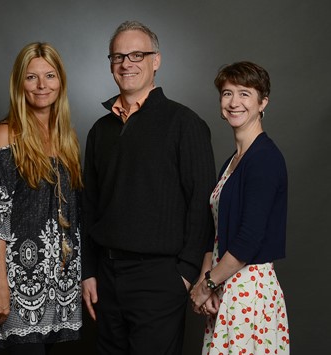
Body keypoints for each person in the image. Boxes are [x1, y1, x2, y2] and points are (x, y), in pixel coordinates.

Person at [81, 20, 217, 354]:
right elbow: (89, 205)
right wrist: (88, 271)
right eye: (118, 57)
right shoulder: (101, 129)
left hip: (160, 277)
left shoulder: (185, 124)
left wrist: (184, 275)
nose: (126, 63)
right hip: (106, 278)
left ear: (156, 61)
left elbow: (203, 204)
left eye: (137, 55)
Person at [0, 42, 83, 354]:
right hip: (18, 288)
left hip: (62, 290)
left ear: (61, 81)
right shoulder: (6, 134)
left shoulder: (67, 139)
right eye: (31, 77)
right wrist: (0, 286)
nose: (42, 86)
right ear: (19, 84)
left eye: (50, 76)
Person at [189, 61, 290, 354]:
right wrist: (206, 280)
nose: (234, 102)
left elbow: (248, 240)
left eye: (245, 94)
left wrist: (206, 285)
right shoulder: (233, 161)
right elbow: (215, 231)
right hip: (225, 285)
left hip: (249, 292)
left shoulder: (264, 159)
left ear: (263, 102)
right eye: (227, 93)